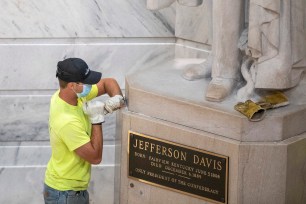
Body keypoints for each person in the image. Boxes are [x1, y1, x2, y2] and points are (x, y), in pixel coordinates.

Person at [43, 58, 124, 204]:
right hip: (64, 194)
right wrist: (96, 118)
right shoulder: (66, 121)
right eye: (85, 82)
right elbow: (95, 157)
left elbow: (108, 82)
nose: (90, 85)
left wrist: (117, 98)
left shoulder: (70, 96)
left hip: (71, 190)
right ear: (73, 85)